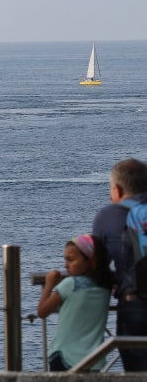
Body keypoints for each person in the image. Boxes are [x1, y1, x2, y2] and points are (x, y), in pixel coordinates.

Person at [92, 158, 147, 371]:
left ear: (117, 189)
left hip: (135, 307)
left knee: (137, 372)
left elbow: (98, 264)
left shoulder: (107, 216)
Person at [36, 234, 113, 371]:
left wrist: (49, 284)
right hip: (94, 359)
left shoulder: (70, 284)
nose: (66, 265)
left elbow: (42, 311)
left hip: (65, 357)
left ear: (90, 261)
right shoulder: (106, 286)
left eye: (71, 260)